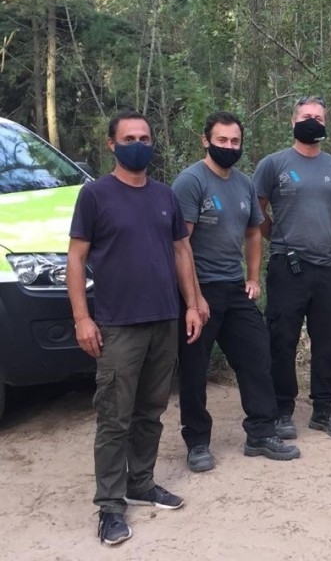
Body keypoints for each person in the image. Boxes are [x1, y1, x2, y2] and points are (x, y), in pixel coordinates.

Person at [67, 111, 203, 546]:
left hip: (163, 319)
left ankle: (140, 483)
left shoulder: (164, 195)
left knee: (151, 410)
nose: (138, 143)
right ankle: (109, 505)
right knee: (114, 417)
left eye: (145, 137)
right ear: (112, 144)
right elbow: (75, 259)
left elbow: (182, 251)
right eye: (129, 137)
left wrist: (193, 304)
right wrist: (81, 318)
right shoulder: (95, 196)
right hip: (117, 325)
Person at [172, 111, 301, 473]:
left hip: (234, 286)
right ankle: (197, 442)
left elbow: (253, 232)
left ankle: (260, 432)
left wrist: (253, 277)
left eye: (234, 141)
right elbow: (180, 245)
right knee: (194, 369)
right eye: (222, 140)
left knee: (257, 357)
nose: (229, 147)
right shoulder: (191, 182)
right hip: (199, 289)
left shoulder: (244, 184)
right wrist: (194, 300)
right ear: (205, 140)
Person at [253, 96, 331, 440]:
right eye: (306, 116)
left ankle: (324, 410)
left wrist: (327, 233)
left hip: (327, 267)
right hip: (287, 266)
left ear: (325, 124)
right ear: (293, 121)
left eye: (318, 117)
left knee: (327, 341)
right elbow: (258, 212)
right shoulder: (273, 164)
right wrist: (278, 239)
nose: (312, 121)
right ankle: (283, 409)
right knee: (281, 340)